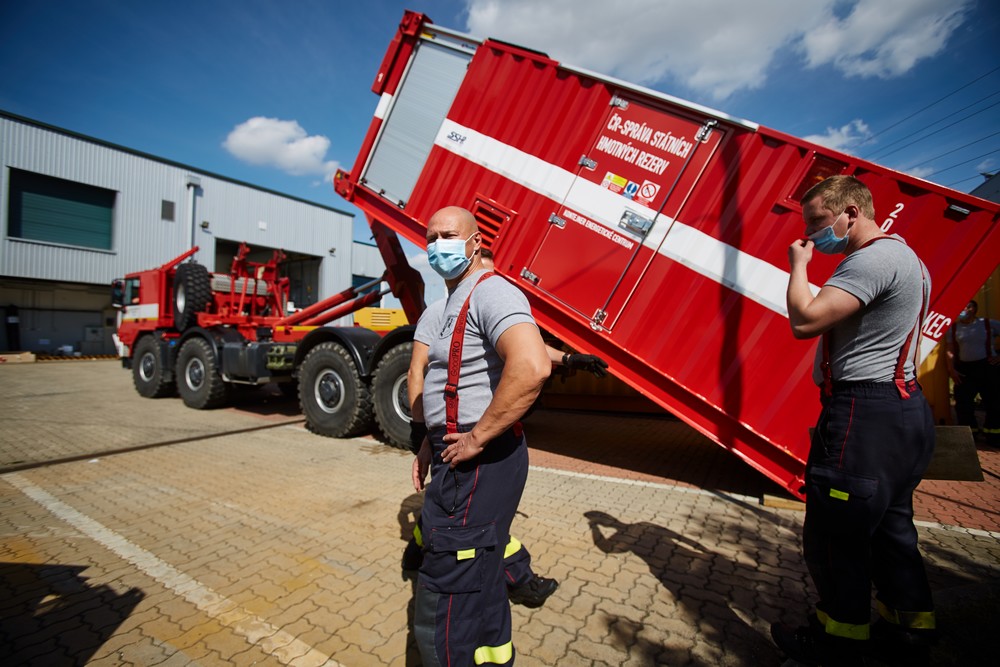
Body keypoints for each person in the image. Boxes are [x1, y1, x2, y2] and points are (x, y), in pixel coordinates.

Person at [773, 175, 937, 666]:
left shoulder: (873, 259)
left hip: (866, 414)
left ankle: (837, 641)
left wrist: (798, 266)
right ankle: (910, 630)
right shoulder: (903, 256)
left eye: (819, 222)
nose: (811, 235)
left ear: (852, 212)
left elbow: (804, 320)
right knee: (891, 530)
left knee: (835, 534)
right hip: (899, 411)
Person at [403, 247, 609, 611]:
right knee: (454, 518)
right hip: (454, 434)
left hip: (475, 435)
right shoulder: (439, 313)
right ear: (478, 259)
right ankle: (444, 562)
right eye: (488, 268)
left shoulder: (487, 295)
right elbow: (418, 369)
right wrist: (420, 434)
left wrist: (570, 359)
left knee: (467, 517)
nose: (491, 278)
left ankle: (513, 578)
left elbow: (519, 344)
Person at [408, 206, 551, 666]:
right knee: (481, 569)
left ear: (475, 243)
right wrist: (431, 437)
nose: (436, 245)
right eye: (430, 237)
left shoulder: (490, 292)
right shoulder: (449, 303)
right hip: (459, 451)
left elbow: (531, 365)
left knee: (449, 583)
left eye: (448, 235)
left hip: (478, 460)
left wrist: (476, 436)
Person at [945, 299, 1000, 446]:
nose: (962, 310)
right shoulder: (954, 328)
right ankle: (970, 435)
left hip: (987, 367)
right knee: (963, 405)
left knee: (994, 402)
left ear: (973, 309)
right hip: (964, 370)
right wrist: (952, 369)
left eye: (966, 307)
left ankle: (993, 435)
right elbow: (949, 349)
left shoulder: (987, 324)